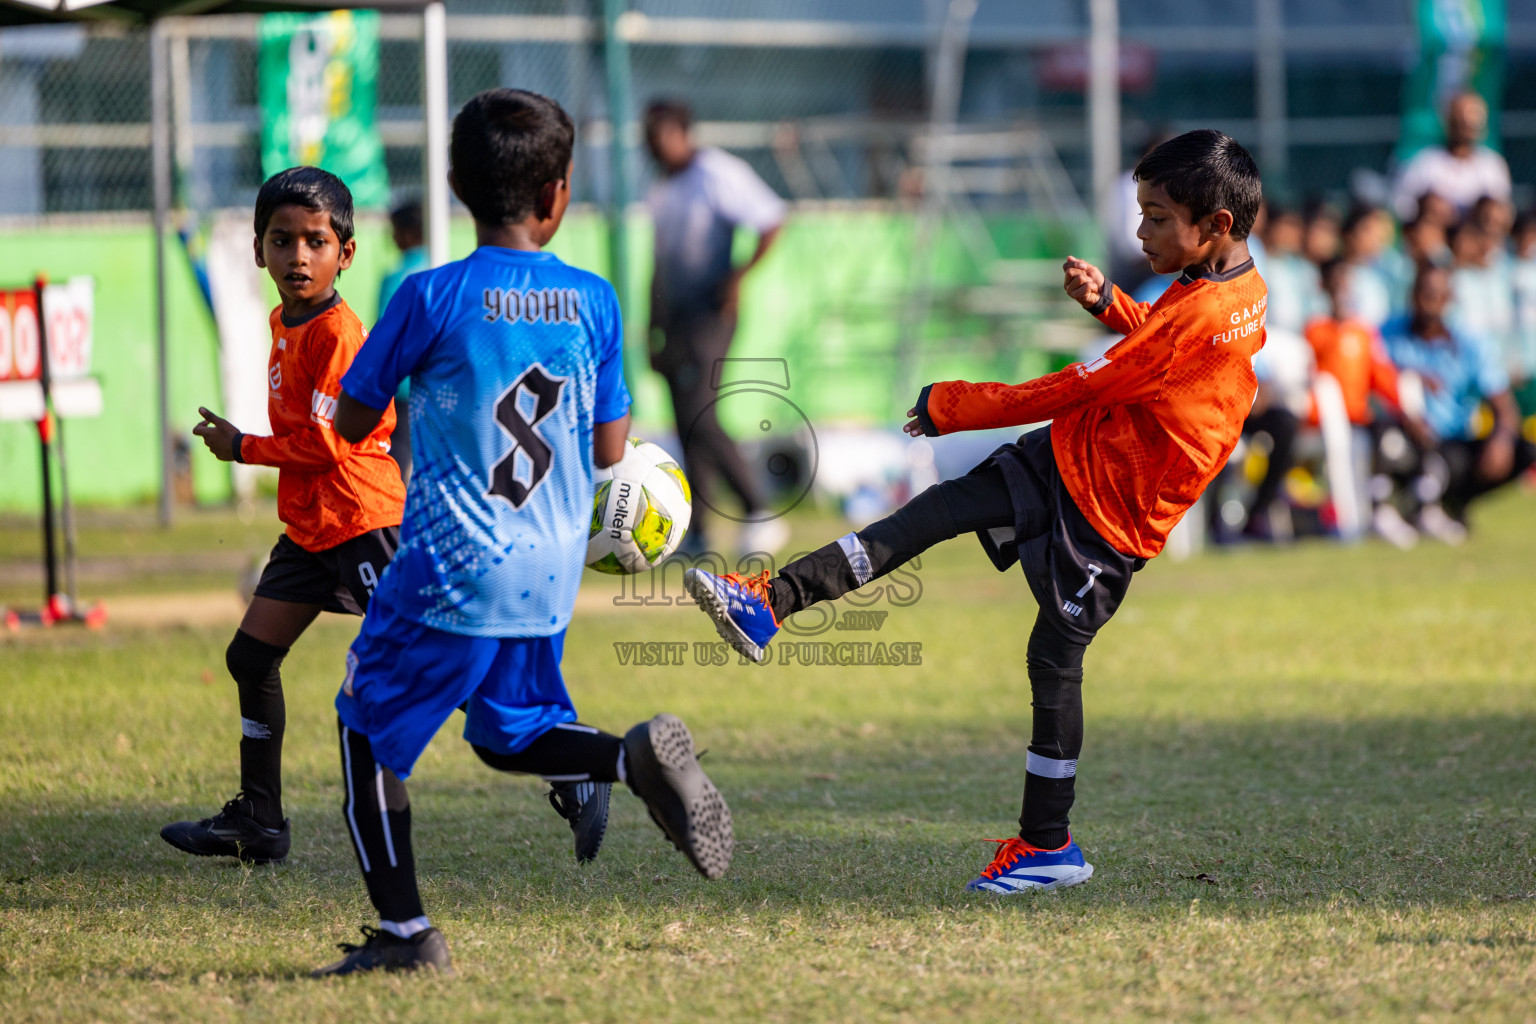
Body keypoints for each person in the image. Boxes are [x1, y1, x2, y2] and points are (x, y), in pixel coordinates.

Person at [685, 130, 1267, 894]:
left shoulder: (1202, 307)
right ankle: (772, 602)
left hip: (1114, 516)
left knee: (1053, 661)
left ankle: (1048, 846)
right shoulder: (1231, 289)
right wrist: (1111, 304)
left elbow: (1085, 384)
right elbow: (1162, 351)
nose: (1141, 232)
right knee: (940, 509)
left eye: (1157, 217)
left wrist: (955, 404)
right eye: (1142, 213)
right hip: (1076, 459)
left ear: (1216, 224)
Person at [312, 89, 733, 977]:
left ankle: (404, 938)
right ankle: (628, 760)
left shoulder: (428, 294)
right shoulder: (593, 299)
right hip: (546, 569)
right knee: (508, 732)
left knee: (364, 728)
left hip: (448, 562)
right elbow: (613, 448)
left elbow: (350, 422)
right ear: (559, 196)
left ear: (459, 184)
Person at [161, 167, 407, 866]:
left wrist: (242, 448)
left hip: (362, 519)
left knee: (420, 660)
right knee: (250, 655)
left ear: (346, 254)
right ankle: (259, 823)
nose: (299, 255)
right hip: (311, 527)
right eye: (282, 240)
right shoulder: (282, 320)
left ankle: (562, 763)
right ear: (259, 251)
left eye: (316, 241)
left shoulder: (338, 333)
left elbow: (331, 443)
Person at [644, 98, 788, 559]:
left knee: (703, 412)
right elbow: (659, 265)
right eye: (648, 135)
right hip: (675, 320)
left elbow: (771, 218)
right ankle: (701, 529)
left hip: (712, 312)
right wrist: (652, 327)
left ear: (684, 131)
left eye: (662, 132)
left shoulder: (716, 173)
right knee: (687, 421)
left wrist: (738, 277)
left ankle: (758, 509)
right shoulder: (660, 191)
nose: (654, 144)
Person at [1379, 264, 1536, 542]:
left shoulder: (1470, 343)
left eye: (1437, 294)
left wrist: (1501, 440)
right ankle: (1416, 508)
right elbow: (1375, 381)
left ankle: (1453, 503)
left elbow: (1503, 405)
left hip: (1453, 440)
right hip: (1410, 434)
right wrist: (1408, 381)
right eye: (1424, 293)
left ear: (1450, 299)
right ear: (1412, 295)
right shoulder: (1387, 334)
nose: (1430, 301)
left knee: (1521, 450)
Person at [1393, 91, 1512, 222]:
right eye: (1460, 121)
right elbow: (1401, 204)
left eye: (1473, 122)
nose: (1467, 127)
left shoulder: (1492, 164)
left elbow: (1501, 211)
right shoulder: (1426, 162)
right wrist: (1426, 206)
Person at [378, 199, 430, 480]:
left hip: (403, 387)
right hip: (439, 384)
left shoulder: (395, 278)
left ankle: (396, 517)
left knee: (398, 454)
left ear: (407, 233)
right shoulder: (443, 268)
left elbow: (384, 337)